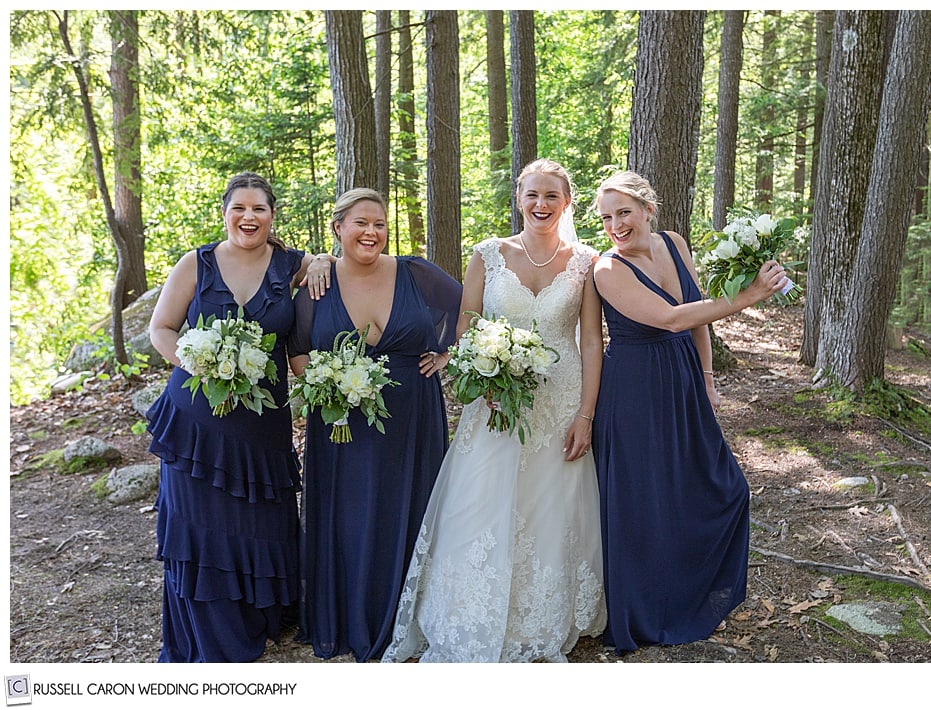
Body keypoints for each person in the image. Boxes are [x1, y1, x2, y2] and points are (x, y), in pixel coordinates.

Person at [381, 158, 607, 663]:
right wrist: (482, 377)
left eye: (552, 196)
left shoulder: (585, 261)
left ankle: (541, 613)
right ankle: (472, 609)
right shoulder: (488, 253)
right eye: (532, 194)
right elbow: (466, 327)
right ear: (519, 197)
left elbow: (591, 340)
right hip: (496, 397)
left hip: (561, 397)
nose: (541, 204)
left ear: (566, 202)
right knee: (482, 500)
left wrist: (586, 414)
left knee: (552, 506)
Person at [590, 170, 789, 653]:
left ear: (647, 210)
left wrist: (707, 379)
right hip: (635, 390)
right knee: (646, 501)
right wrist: (747, 298)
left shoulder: (674, 244)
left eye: (624, 213)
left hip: (682, 377)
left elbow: (697, 311)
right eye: (606, 217)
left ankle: (692, 591)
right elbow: (672, 317)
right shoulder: (607, 270)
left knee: (717, 485)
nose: (616, 224)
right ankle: (646, 609)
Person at [146, 171, 319, 662]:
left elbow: (332, 266)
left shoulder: (293, 265)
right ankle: (210, 631)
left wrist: (324, 260)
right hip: (195, 424)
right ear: (224, 212)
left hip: (261, 426)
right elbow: (161, 328)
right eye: (239, 208)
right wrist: (195, 360)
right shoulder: (194, 264)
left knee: (260, 521)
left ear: (272, 216)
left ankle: (261, 617)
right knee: (199, 522)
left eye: (259, 209)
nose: (248, 217)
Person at [288, 188, 462, 662]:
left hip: (412, 419)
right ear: (338, 228)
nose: (371, 232)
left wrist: (447, 354)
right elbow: (298, 350)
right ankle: (351, 615)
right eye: (361, 223)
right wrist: (329, 384)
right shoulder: (316, 286)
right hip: (343, 422)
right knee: (351, 514)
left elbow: (470, 308)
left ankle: (410, 617)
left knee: (411, 509)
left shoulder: (417, 273)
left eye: (380, 224)